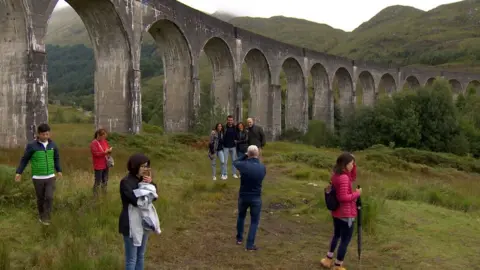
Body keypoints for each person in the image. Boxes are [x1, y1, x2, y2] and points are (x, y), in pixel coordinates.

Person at [15, 123, 62, 226]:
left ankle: (46, 218)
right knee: (40, 198)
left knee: (49, 197)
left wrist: (59, 170)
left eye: (47, 134)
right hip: (38, 178)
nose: (46, 136)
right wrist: (19, 172)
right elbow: (25, 159)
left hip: (50, 176)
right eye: (44, 134)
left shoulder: (53, 145)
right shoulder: (32, 146)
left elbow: (56, 158)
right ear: (39, 134)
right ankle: (41, 216)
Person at [320, 153, 361, 270]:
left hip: (337, 213)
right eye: (351, 163)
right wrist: (357, 194)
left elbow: (352, 177)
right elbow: (343, 198)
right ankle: (338, 265)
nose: (353, 166)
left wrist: (354, 162)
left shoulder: (337, 175)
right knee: (345, 240)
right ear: (345, 164)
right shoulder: (343, 178)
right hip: (346, 214)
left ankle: (328, 259)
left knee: (336, 235)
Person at [119, 153, 156, 270]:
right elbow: (137, 201)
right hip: (130, 223)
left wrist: (150, 184)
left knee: (141, 255)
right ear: (135, 166)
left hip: (144, 220)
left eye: (147, 166)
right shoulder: (126, 182)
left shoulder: (144, 181)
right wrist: (146, 189)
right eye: (143, 166)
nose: (146, 169)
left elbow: (154, 197)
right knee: (132, 258)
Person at [233, 145, 266, 251]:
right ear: (258, 154)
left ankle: (239, 238)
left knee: (241, 216)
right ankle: (250, 245)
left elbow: (235, 162)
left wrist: (244, 156)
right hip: (256, 196)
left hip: (243, 196)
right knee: (254, 221)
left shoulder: (243, 165)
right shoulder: (262, 167)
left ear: (248, 154)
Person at [90, 128, 113, 195]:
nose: (104, 138)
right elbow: (95, 154)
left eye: (105, 136)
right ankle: (95, 196)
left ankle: (104, 194)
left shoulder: (104, 141)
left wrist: (109, 151)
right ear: (98, 135)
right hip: (99, 165)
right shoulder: (94, 143)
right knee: (98, 181)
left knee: (105, 180)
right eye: (103, 136)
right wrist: (104, 152)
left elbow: (106, 150)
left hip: (105, 164)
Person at [223, 115, 238, 179]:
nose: (230, 121)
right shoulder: (224, 127)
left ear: (233, 121)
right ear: (227, 120)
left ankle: (234, 173)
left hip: (233, 147)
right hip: (225, 147)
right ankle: (225, 174)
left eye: (231, 120)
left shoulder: (235, 127)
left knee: (234, 161)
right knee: (225, 161)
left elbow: (238, 135)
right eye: (229, 120)